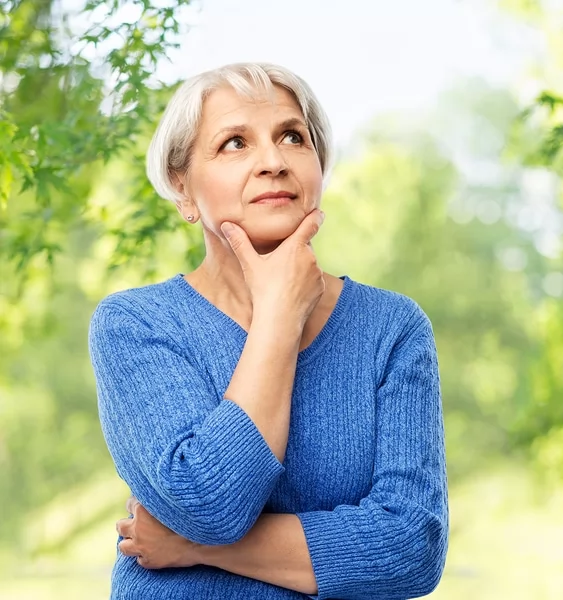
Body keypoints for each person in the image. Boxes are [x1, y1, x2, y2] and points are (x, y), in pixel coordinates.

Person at [88, 62, 449, 600]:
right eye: (234, 143)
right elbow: (208, 503)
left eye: (292, 137)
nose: (273, 162)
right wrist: (280, 315)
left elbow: (410, 548)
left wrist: (195, 548)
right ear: (183, 188)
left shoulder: (391, 328)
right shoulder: (136, 324)